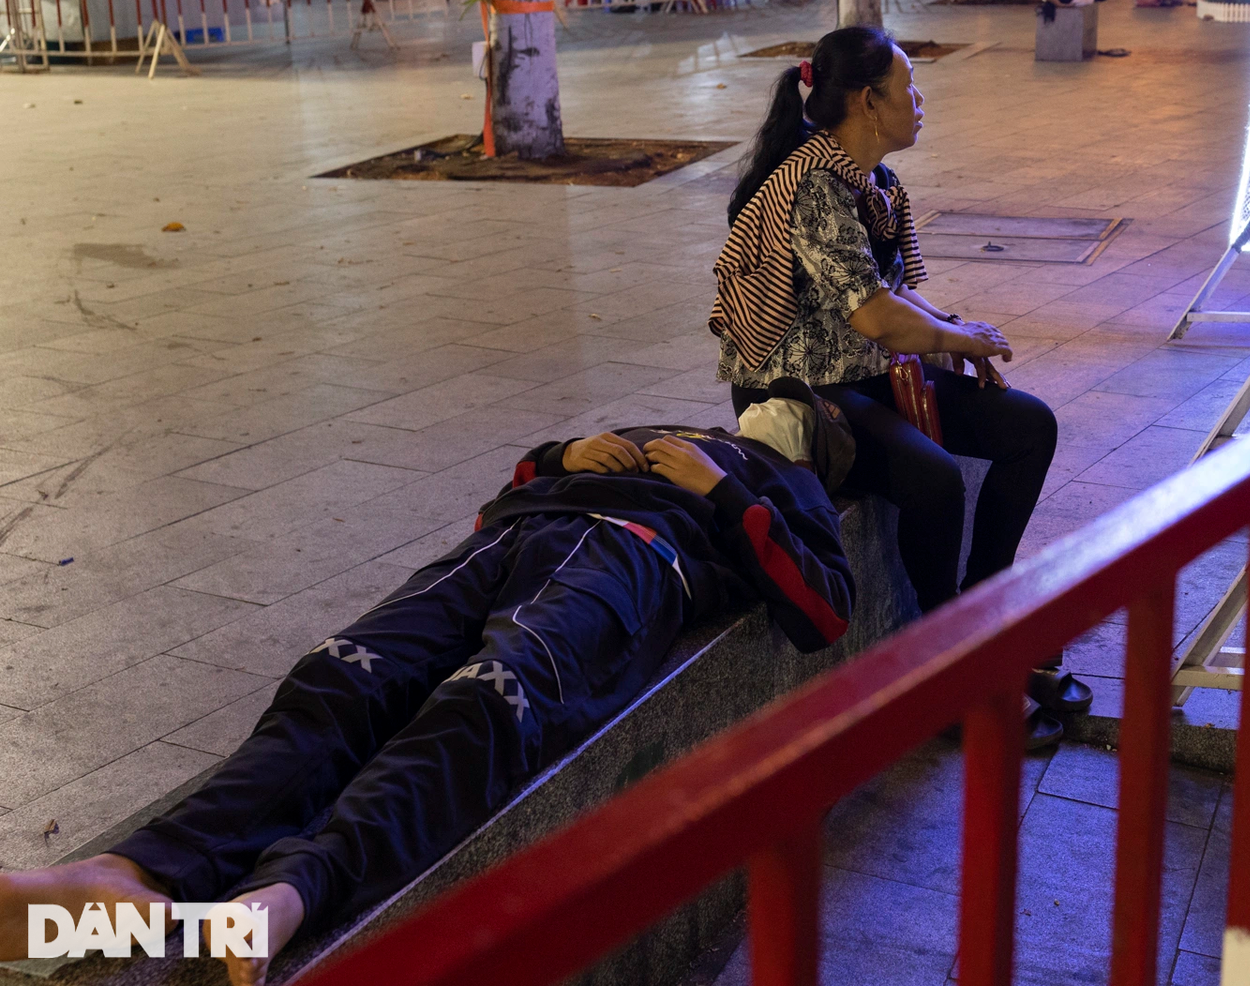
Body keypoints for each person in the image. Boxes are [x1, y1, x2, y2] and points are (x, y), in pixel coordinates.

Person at [0, 399, 856, 985]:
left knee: (491, 696)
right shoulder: (660, 426)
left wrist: (730, 490)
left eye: (794, 414)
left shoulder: (787, 481)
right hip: (518, 535)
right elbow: (508, 488)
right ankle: (129, 873)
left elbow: (823, 607)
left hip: (628, 557)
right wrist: (564, 457)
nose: (768, 408)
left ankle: (292, 893)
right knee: (341, 673)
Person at [711, 27, 1077, 744]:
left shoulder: (872, 180)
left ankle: (980, 614)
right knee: (934, 479)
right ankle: (940, 673)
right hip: (799, 390)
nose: (919, 99)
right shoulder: (814, 185)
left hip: (864, 372)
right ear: (866, 101)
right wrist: (957, 339)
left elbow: (892, 293)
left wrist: (952, 326)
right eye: (907, 85)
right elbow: (876, 314)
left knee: (1029, 426)